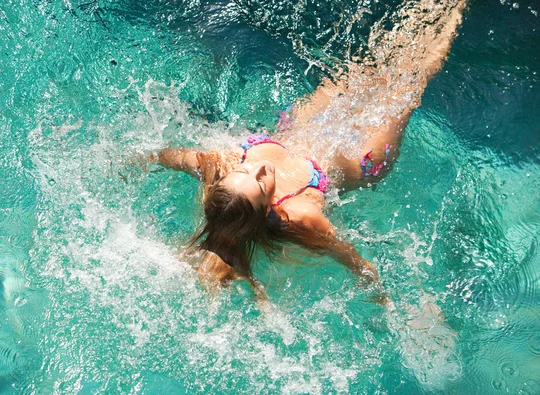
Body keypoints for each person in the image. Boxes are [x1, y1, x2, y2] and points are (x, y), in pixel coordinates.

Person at [135, 0, 466, 297]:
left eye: (245, 170)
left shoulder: (219, 166)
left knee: (361, 70)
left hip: (308, 130)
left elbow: (168, 156)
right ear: (268, 209)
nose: (261, 168)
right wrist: (385, 301)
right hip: (364, 160)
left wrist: (133, 161)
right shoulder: (300, 217)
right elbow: (355, 261)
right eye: (262, 183)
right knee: (408, 80)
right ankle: (454, 10)